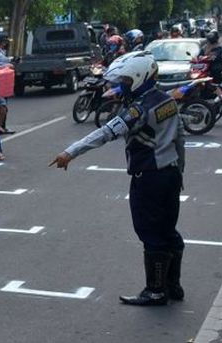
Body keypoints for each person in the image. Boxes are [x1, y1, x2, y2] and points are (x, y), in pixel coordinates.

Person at [50, 52, 185, 306]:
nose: (120, 85)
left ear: (138, 78)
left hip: (149, 177)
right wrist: (180, 172)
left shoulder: (138, 110)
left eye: (124, 80)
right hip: (170, 173)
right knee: (168, 230)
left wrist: (70, 152)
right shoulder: (167, 100)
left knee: (150, 231)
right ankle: (172, 285)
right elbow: (180, 137)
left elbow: (105, 132)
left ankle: (155, 290)